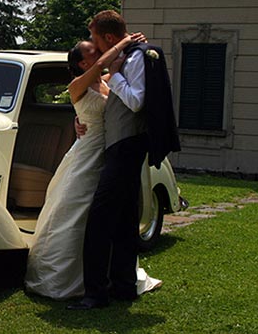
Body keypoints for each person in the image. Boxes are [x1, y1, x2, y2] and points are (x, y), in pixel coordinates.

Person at [25, 31, 162, 300]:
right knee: (73, 209)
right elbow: (99, 73)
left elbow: (120, 76)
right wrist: (121, 42)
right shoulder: (78, 85)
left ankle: (109, 274)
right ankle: (66, 277)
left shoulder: (108, 82)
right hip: (88, 153)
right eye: (93, 53)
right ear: (84, 64)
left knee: (106, 215)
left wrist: (131, 45)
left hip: (110, 152)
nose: (99, 55)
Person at [67, 10, 179, 310]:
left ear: (108, 38)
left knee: (100, 221)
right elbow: (86, 92)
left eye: (94, 38)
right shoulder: (124, 57)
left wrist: (115, 74)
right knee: (125, 221)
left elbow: (135, 101)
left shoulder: (137, 58)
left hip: (127, 146)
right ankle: (124, 285)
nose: (94, 44)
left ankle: (95, 293)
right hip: (119, 145)